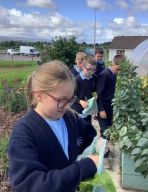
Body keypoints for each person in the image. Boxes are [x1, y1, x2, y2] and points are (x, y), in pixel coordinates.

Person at [8, 60, 99, 192]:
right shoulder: (24, 134)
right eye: (62, 100)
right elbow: (30, 185)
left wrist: (99, 145)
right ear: (39, 95)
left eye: (70, 99)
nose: (68, 106)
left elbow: (89, 137)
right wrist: (84, 167)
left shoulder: (70, 118)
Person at [96, 54, 126, 139]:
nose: (119, 72)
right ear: (113, 64)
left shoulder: (113, 75)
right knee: (105, 133)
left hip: (110, 107)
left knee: (108, 131)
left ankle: (104, 148)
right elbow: (99, 94)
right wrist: (101, 110)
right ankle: (102, 149)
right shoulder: (105, 75)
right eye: (118, 69)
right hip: (103, 108)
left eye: (121, 70)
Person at [71, 55, 97, 124]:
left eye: (93, 70)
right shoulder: (76, 80)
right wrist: (80, 101)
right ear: (82, 66)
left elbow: (93, 91)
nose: (91, 72)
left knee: (87, 130)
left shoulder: (93, 78)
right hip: (78, 112)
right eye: (89, 69)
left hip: (88, 110)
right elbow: (70, 97)